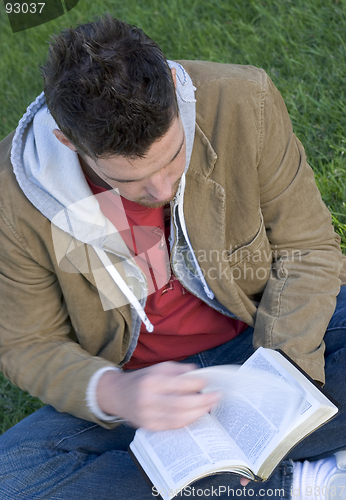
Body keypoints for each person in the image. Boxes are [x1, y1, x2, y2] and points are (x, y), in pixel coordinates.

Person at [0, 13, 345, 500]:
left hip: (265, 337)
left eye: (174, 154)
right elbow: (27, 343)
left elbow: (307, 248)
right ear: (68, 141)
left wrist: (278, 377)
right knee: (11, 479)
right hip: (145, 392)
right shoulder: (13, 195)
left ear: (178, 94)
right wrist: (118, 395)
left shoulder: (244, 100)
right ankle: (300, 481)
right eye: (129, 179)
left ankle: (207, 483)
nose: (160, 189)